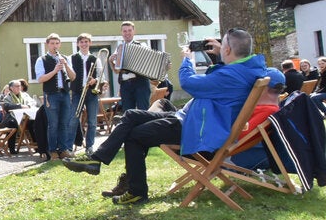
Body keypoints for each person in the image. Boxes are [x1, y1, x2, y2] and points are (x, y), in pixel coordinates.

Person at [64, 28, 267, 204]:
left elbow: (189, 83)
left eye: (223, 46)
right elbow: (219, 80)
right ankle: (97, 160)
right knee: (132, 115)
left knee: (134, 135)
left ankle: (136, 191)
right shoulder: (246, 69)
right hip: (197, 120)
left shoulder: (232, 75)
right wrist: (217, 57)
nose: (220, 48)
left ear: (229, 50)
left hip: (196, 129)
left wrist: (187, 60)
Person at [229, 69, 287, 170]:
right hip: (245, 152)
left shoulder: (267, 111)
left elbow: (241, 136)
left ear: (263, 88)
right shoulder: (270, 107)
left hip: (238, 156)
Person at [35, 33, 76, 159]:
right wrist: (54, 71)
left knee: (64, 123)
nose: (55, 46)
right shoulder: (41, 60)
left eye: (57, 43)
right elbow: (40, 79)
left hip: (64, 94)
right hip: (51, 94)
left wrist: (66, 66)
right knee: (53, 124)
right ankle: (52, 150)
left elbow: (73, 77)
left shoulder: (65, 58)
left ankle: (63, 149)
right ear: (47, 45)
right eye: (52, 43)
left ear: (60, 44)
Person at [69, 33, 101, 156]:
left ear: (90, 43)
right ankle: (69, 147)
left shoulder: (95, 59)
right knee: (73, 119)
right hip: (77, 92)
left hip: (91, 93)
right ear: (78, 44)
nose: (84, 44)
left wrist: (95, 80)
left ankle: (90, 146)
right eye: (81, 42)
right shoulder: (71, 58)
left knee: (92, 121)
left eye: (86, 42)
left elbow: (100, 75)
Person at [110, 21, 151, 111]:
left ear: (134, 31)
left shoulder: (142, 45)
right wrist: (111, 61)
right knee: (128, 114)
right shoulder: (119, 48)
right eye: (124, 31)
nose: (127, 33)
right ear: (121, 33)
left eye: (129, 30)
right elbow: (117, 71)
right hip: (125, 85)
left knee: (143, 112)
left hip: (140, 84)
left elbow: (149, 62)